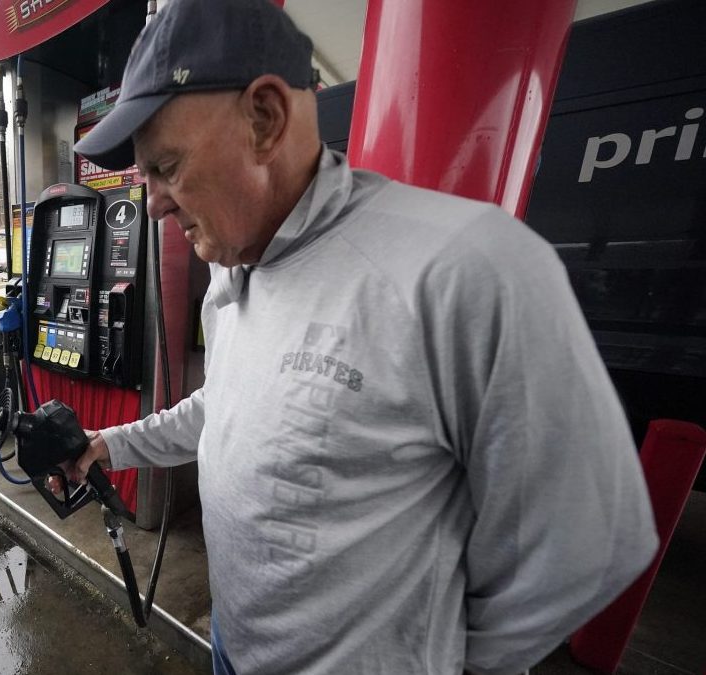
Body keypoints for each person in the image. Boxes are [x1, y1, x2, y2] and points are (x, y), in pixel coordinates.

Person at [62, 0, 659, 673]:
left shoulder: (463, 266)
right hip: (234, 644)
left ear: (265, 117)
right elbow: (226, 407)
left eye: (166, 167)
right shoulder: (236, 274)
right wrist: (111, 444)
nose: (155, 204)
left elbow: (585, 538)